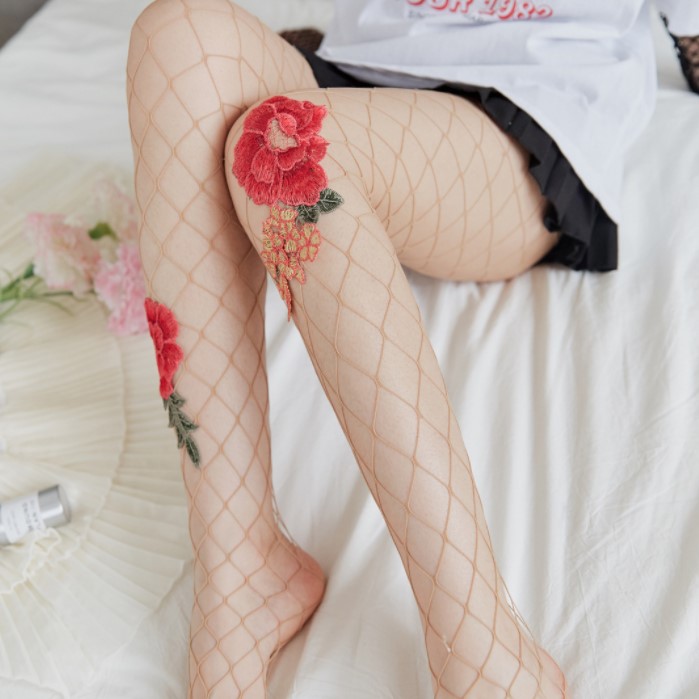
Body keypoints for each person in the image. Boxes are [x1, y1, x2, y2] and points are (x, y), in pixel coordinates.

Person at [125, 1, 698, 697]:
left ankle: (478, 645)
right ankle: (241, 568)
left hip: (521, 100)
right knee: (173, 37)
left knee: (287, 145)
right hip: (361, 67)